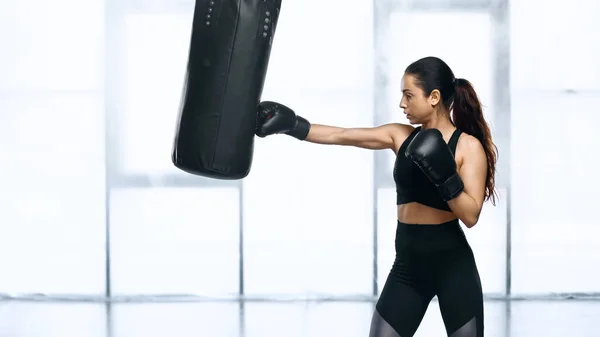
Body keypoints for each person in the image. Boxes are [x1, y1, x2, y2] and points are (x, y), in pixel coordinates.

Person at [254, 56, 498, 337]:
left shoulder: (468, 146)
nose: (402, 104)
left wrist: (444, 176)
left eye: (408, 95)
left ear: (433, 97)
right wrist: (291, 125)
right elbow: (342, 135)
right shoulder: (400, 136)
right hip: (408, 267)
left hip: (453, 266)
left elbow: (470, 215)